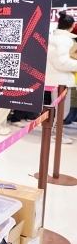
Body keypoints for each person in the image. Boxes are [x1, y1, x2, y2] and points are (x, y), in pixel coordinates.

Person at [45, 10, 77, 144]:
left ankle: (56, 132)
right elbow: (61, 62)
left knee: (59, 109)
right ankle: (56, 134)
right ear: (73, 25)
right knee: (61, 110)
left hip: (57, 79)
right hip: (60, 80)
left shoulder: (56, 38)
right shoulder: (64, 40)